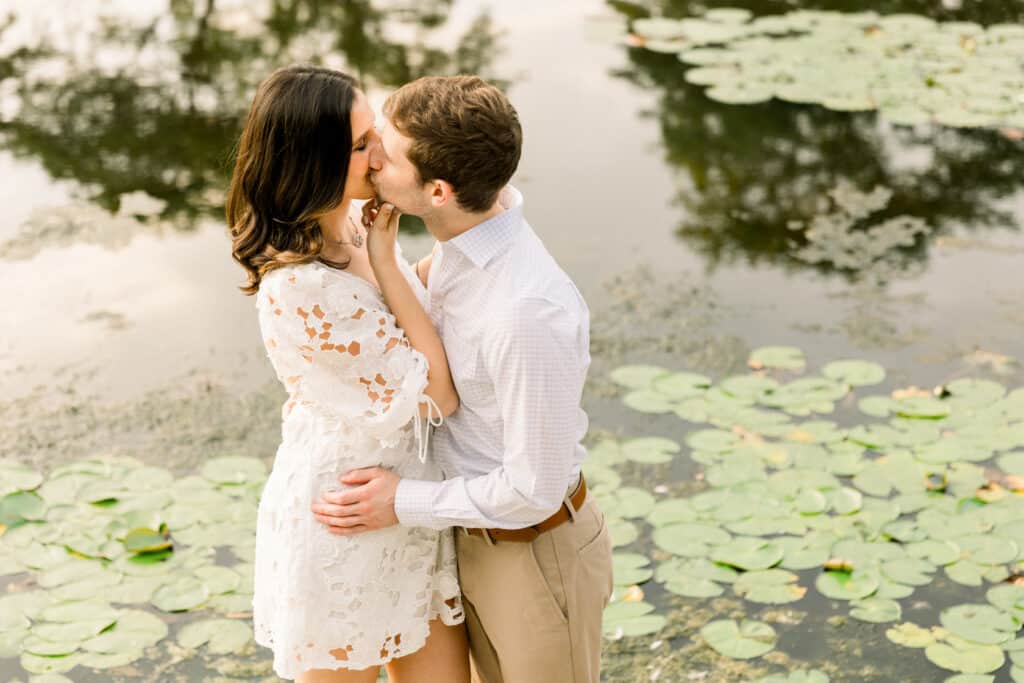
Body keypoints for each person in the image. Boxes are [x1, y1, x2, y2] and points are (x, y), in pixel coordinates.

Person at [311, 75, 614, 683]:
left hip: (535, 552)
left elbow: (535, 486)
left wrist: (401, 501)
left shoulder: (525, 311)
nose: (371, 161)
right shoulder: (466, 236)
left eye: (385, 154)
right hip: (472, 536)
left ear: (440, 190)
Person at [226, 64, 471, 683]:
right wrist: (389, 263)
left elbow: (414, 317)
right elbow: (437, 395)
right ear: (314, 161)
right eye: (362, 144)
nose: (380, 152)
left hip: (407, 507)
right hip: (346, 519)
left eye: (374, 132)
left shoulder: (353, 229)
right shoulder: (300, 287)